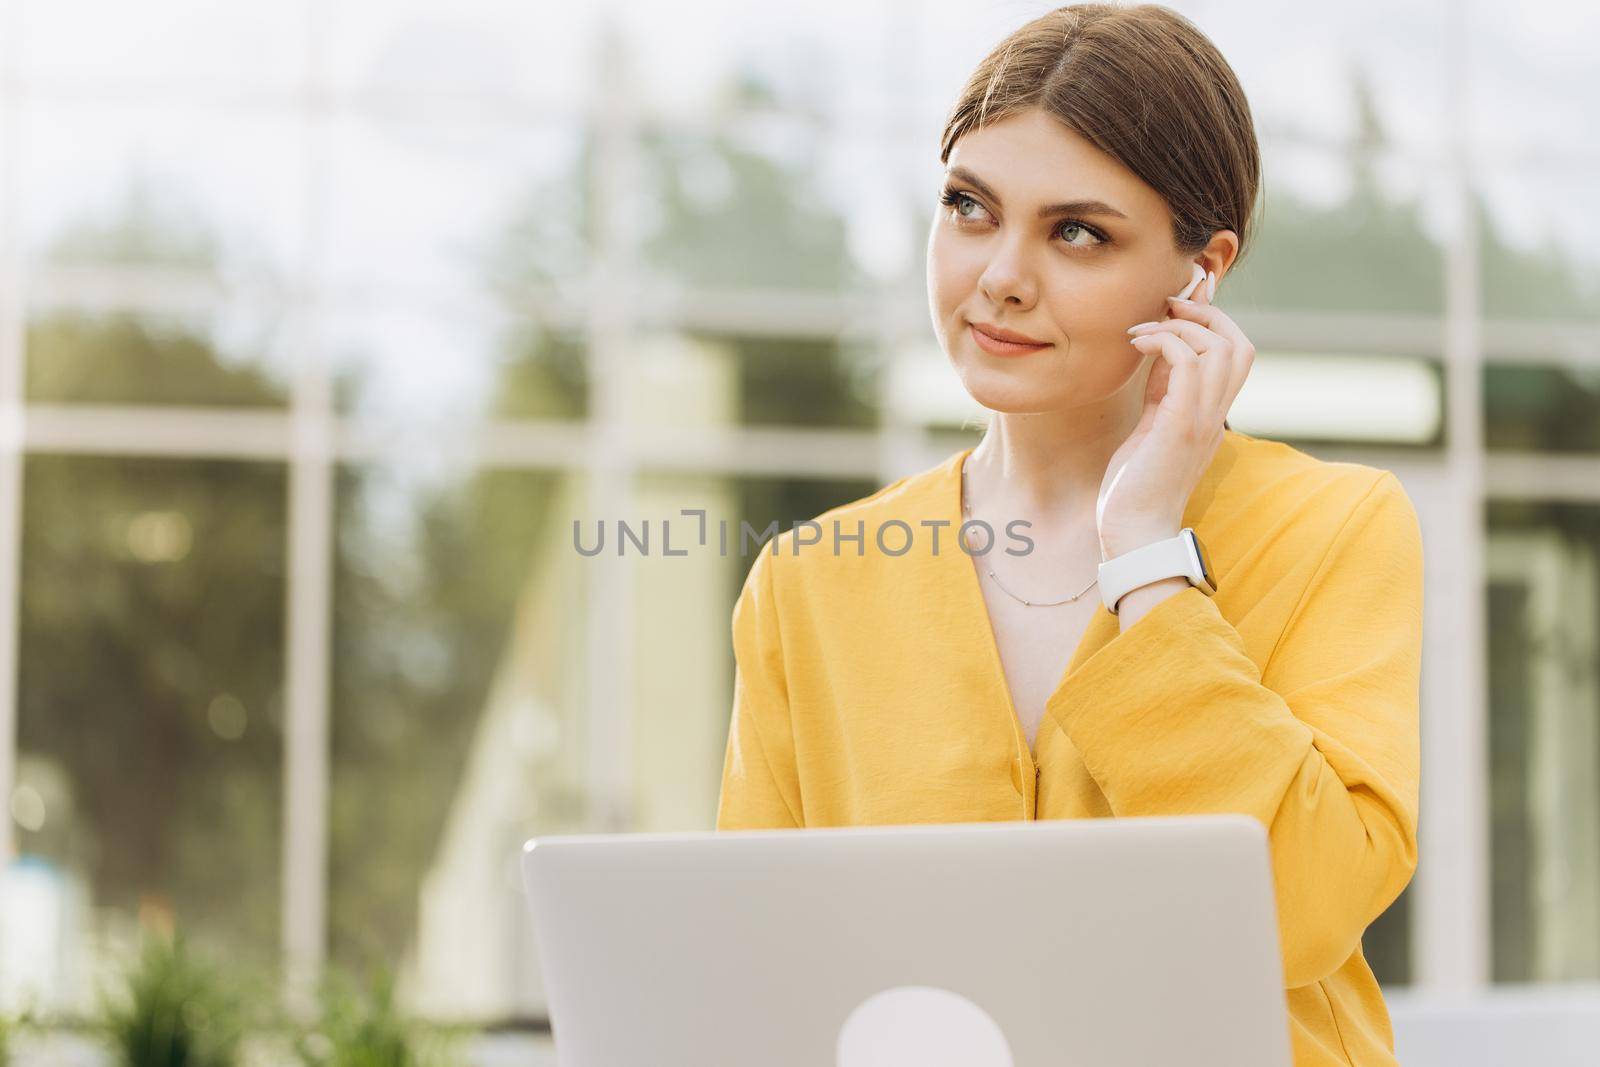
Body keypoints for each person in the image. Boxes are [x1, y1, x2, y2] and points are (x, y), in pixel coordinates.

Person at [716, 5, 1423, 1066]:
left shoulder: (1329, 526)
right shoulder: (809, 582)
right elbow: (760, 970)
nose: (1001, 273)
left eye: (1075, 231)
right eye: (968, 207)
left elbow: (1304, 904)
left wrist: (1143, 551)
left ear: (1199, 272)